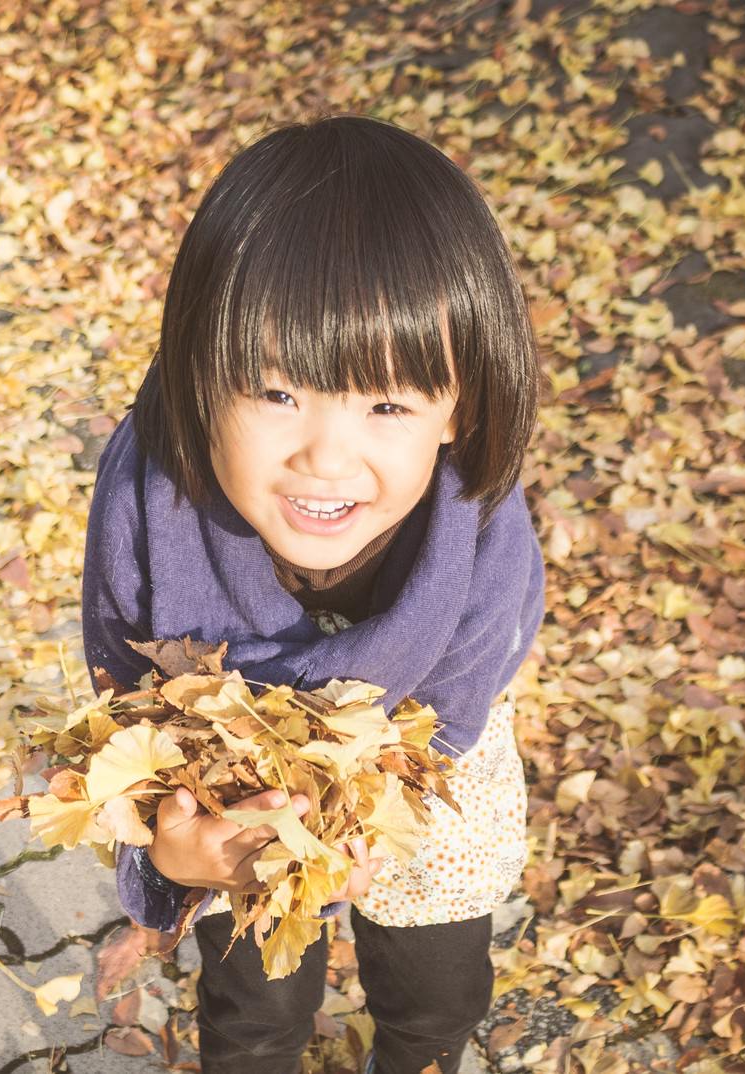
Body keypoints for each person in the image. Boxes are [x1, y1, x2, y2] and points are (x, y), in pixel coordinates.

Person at [79, 114, 547, 1074]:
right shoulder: (147, 502)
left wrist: (352, 818)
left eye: (387, 405)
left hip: (431, 763)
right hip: (234, 794)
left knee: (437, 992)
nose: (326, 458)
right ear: (203, 376)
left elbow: (457, 701)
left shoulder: (484, 530)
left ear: (459, 407)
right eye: (276, 392)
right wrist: (172, 857)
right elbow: (130, 716)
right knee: (252, 1004)